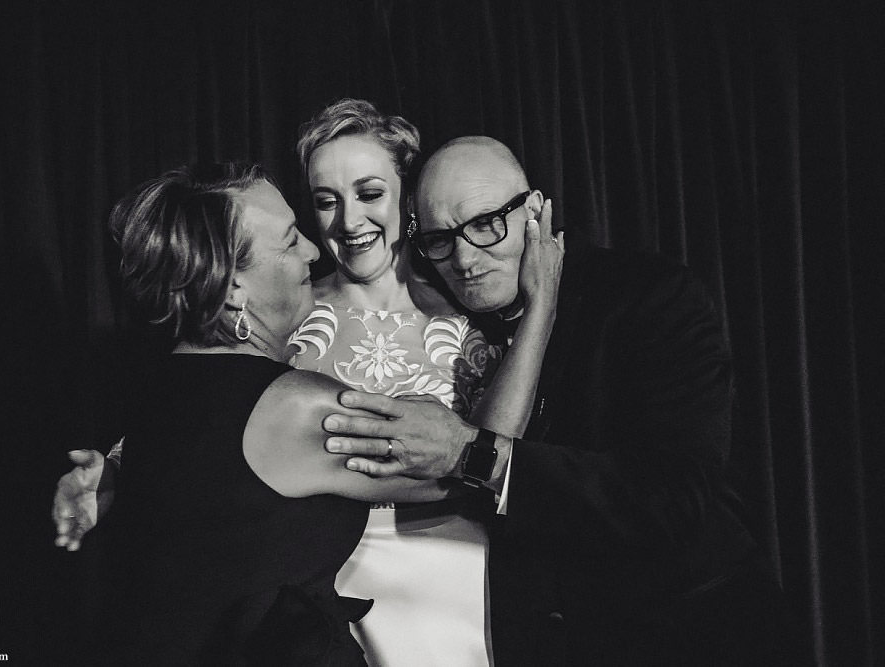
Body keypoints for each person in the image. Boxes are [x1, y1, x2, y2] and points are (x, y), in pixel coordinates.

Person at [54, 101, 564, 665]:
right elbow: (213, 435)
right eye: (324, 202)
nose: (345, 223)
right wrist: (118, 470)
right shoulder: (289, 312)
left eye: (370, 194)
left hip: (462, 585)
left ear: (410, 199)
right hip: (325, 596)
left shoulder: (475, 302)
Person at [321, 136, 788, 664]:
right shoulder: (449, 327)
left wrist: (471, 454)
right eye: (441, 239)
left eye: (484, 224)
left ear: (535, 212)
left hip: (696, 634)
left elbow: (674, 497)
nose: (465, 259)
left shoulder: (649, 296)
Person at [98, 161, 464, 665]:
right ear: (233, 290)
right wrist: (540, 311)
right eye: (291, 241)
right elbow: (468, 465)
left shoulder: (155, 391)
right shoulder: (295, 409)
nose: (314, 251)